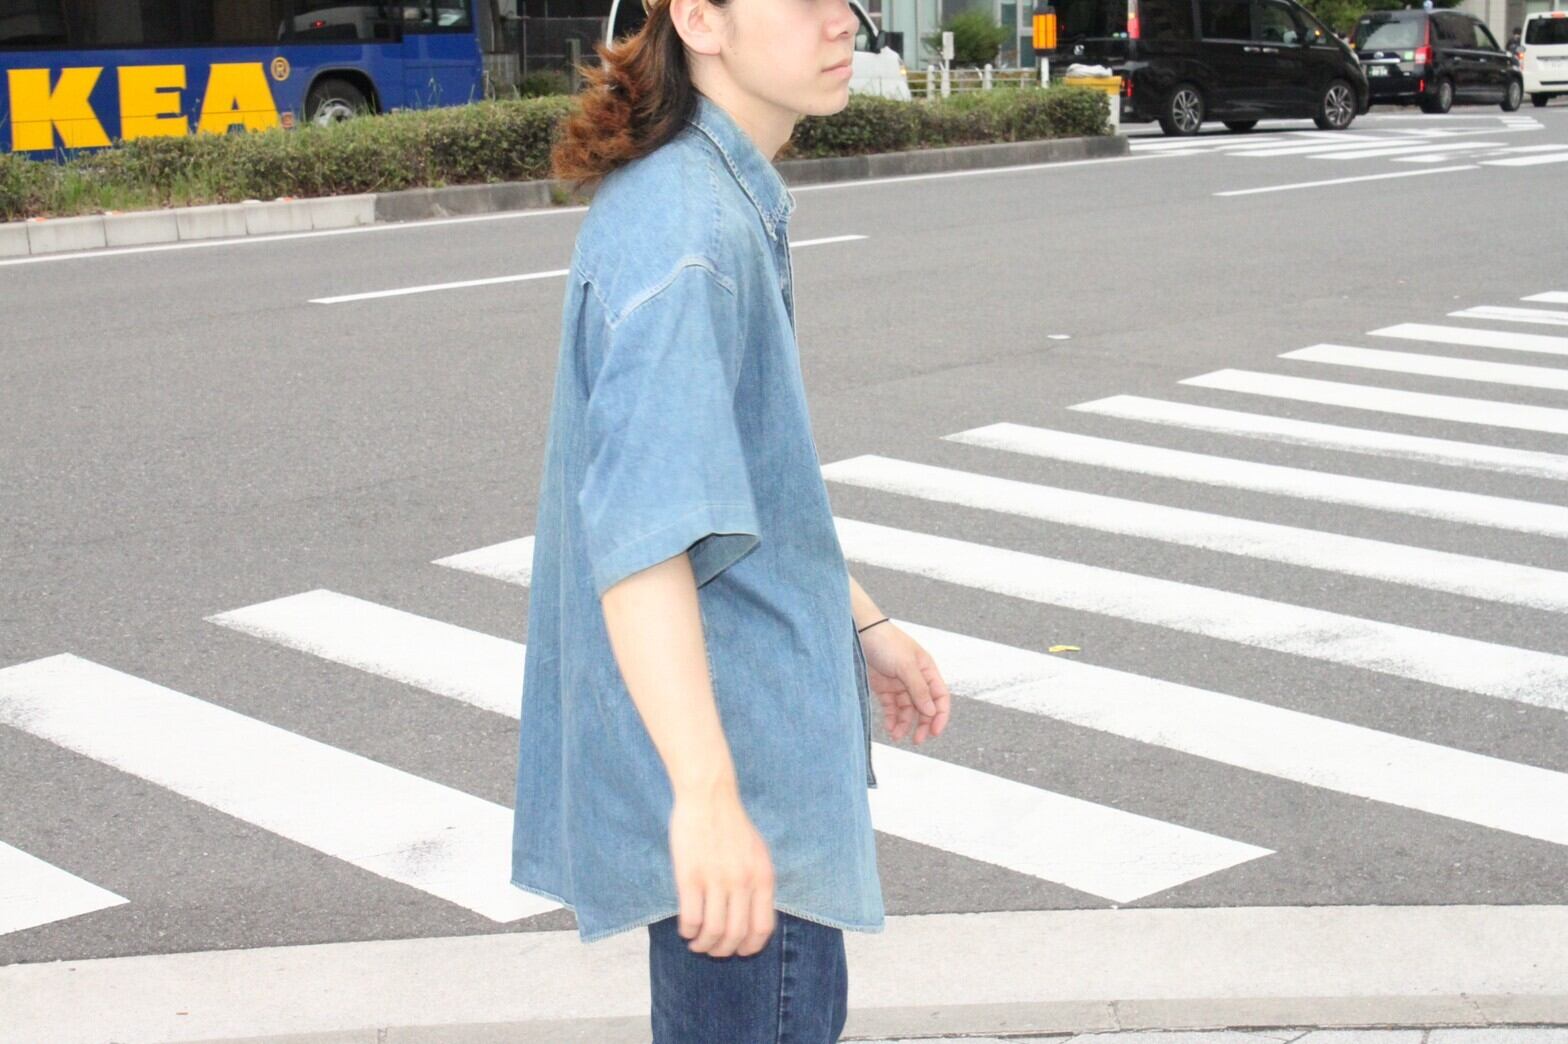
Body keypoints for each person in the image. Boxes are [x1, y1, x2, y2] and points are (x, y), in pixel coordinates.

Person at [507, 0, 954, 1038]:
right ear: (701, 21)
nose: (842, 22)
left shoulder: (695, 193)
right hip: (748, 785)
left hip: (749, 759)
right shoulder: (691, 229)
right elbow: (644, 538)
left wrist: (861, 621)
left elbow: (729, 475)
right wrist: (707, 797)